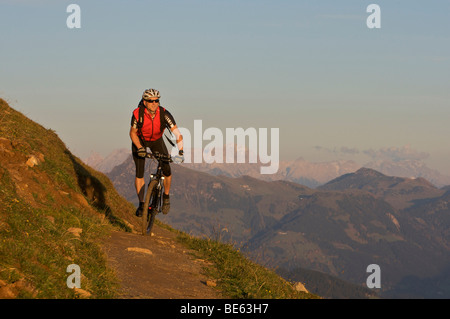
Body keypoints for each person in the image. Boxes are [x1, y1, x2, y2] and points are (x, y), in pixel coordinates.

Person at [129, 88, 183, 216]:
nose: (154, 103)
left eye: (157, 100)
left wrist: (180, 151)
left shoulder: (164, 114)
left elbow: (177, 134)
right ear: (144, 101)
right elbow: (132, 133)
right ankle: (142, 204)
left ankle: (166, 196)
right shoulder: (138, 114)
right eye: (151, 101)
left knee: (167, 170)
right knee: (139, 172)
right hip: (140, 140)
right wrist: (140, 148)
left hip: (156, 141)